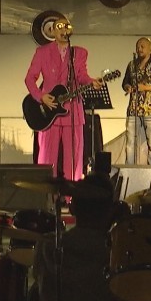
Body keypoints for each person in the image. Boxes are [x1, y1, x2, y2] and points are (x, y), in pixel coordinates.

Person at [25, 16, 100, 181]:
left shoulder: (79, 53)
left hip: (72, 110)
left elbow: (82, 76)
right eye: (59, 27)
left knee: (73, 158)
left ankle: (71, 192)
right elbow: (29, 78)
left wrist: (92, 82)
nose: (63, 30)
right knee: (46, 157)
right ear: (52, 31)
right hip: (49, 110)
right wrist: (41, 96)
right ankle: (46, 192)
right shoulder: (42, 52)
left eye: (66, 27)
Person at [32, 174, 119, 301]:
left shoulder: (47, 245)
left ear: (72, 208)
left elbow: (41, 290)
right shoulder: (116, 253)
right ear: (111, 211)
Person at [121, 37, 151, 165]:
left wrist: (146, 87)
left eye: (142, 46)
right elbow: (125, 82)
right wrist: (128, 87)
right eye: (138, 47)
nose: (139, 49)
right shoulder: (132, 65)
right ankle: (129, 169)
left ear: (150, 48)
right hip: (133, 109)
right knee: (130, 142)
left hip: (150, 109)